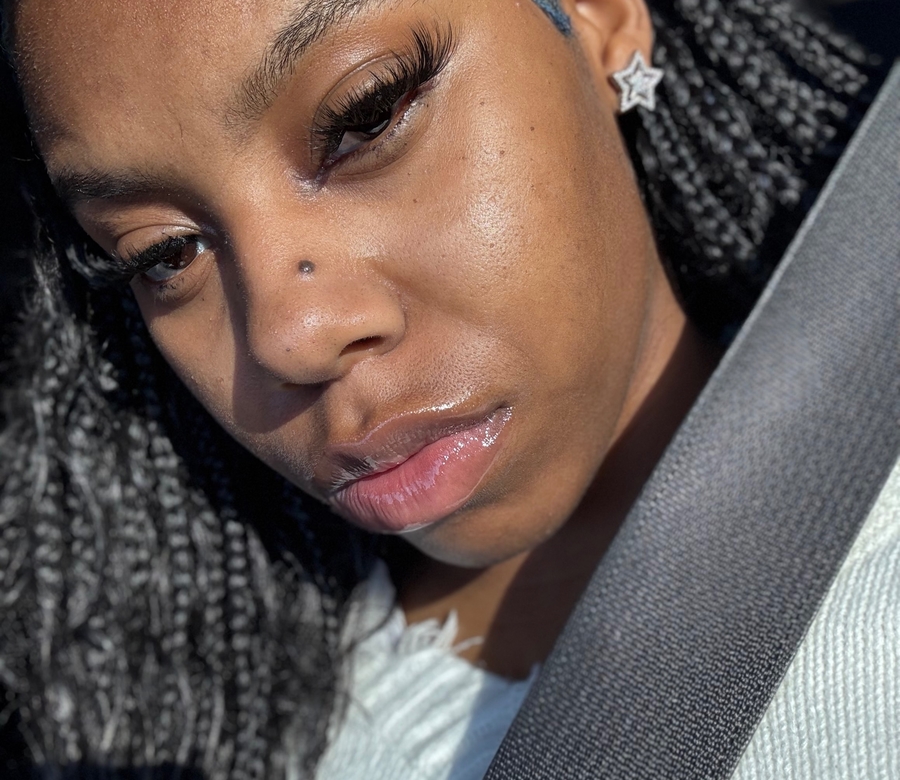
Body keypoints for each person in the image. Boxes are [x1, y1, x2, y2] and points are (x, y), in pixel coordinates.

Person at [0, 0, 887, 778]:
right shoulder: (189, 724)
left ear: (602, 14)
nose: (289, 336)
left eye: (366, 117)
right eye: (164, 252)